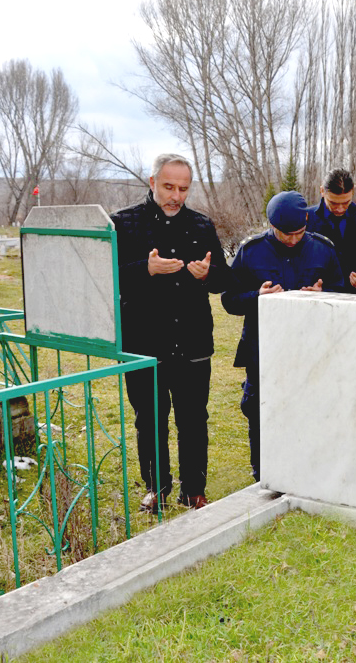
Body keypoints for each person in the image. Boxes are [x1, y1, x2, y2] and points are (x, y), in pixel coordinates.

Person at [112, 153, 231, 513]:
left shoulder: (202, 225)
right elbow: (106, 278)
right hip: (143, 341)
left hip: (193, 340)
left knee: (194, 418)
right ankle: (156, 487)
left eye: (183, 188)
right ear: (152, 182)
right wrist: (143, 269)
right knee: (149, 417)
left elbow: (223, 280)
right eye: (168, 186)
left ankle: (194, 489)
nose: (176, 195)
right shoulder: (123, 224)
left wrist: (206, 275)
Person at [222, 191, 344, 481]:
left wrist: (323, 295)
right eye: (284, 234)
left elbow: (344, 294)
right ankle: (262, 474)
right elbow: (229, 299)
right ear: (271, 225)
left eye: (298, 233)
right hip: (263, 349)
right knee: (260, 411)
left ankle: (310, 471)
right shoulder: (251, 251)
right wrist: (257, 296)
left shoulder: (323, 249)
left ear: (306, 220)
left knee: (311, 409)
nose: (292, 240)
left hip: (311, 349)